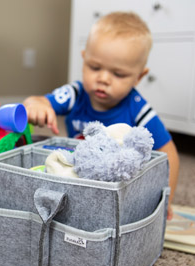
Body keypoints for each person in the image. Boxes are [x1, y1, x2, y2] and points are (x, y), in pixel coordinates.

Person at [23, 12, 179, 219]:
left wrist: (166, 197)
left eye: (118, 74)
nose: (103, 78)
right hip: (78, 172)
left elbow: (169, 153)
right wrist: (36, 105)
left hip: (117, 183)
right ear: (84, 59)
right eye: (94, 67)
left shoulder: (139, 109)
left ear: (138, 77)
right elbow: (38, 101)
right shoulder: (76, 94)